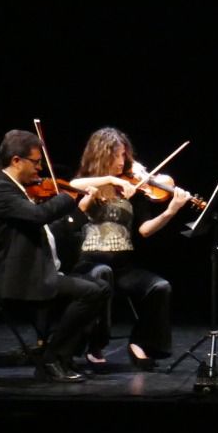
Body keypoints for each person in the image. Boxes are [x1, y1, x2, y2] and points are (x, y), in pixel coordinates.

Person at [0, 129, 110, 382]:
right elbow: (39, 216)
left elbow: (44, 230)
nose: (40, 168)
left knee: (100, 286)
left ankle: (62, 357)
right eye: (36, 161)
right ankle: (51, 359)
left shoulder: (18, 189)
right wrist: (69, 195)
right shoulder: (2, 191)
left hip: (39, 270)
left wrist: (79, 212)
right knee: (92, 292)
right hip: (22, 277)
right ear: (16, 160)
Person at [67, 127, 192, 370]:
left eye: (125, 155)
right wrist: (109, 181)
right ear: (102, 155)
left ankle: (141, 343)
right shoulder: (90, 183)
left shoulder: (132, 188)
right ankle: (95, 343)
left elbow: (144, 230)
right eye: (117, 155)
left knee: (159, 287)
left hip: (122, 265)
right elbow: (74, 185)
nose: (123, 161)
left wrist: (171, 211)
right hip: (90, 263)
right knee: (103, 276)